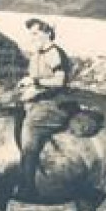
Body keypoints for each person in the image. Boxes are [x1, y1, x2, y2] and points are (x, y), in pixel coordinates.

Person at [12, 17, 73, 195]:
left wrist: (35, 81)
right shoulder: (36, 55)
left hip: (55, 104)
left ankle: (27, 184)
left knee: (30, 127)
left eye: (36, 33)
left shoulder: (54, 53)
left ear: (48, 33)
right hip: (37, 101)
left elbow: (60, 81)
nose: (33, 37)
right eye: (31, 34)